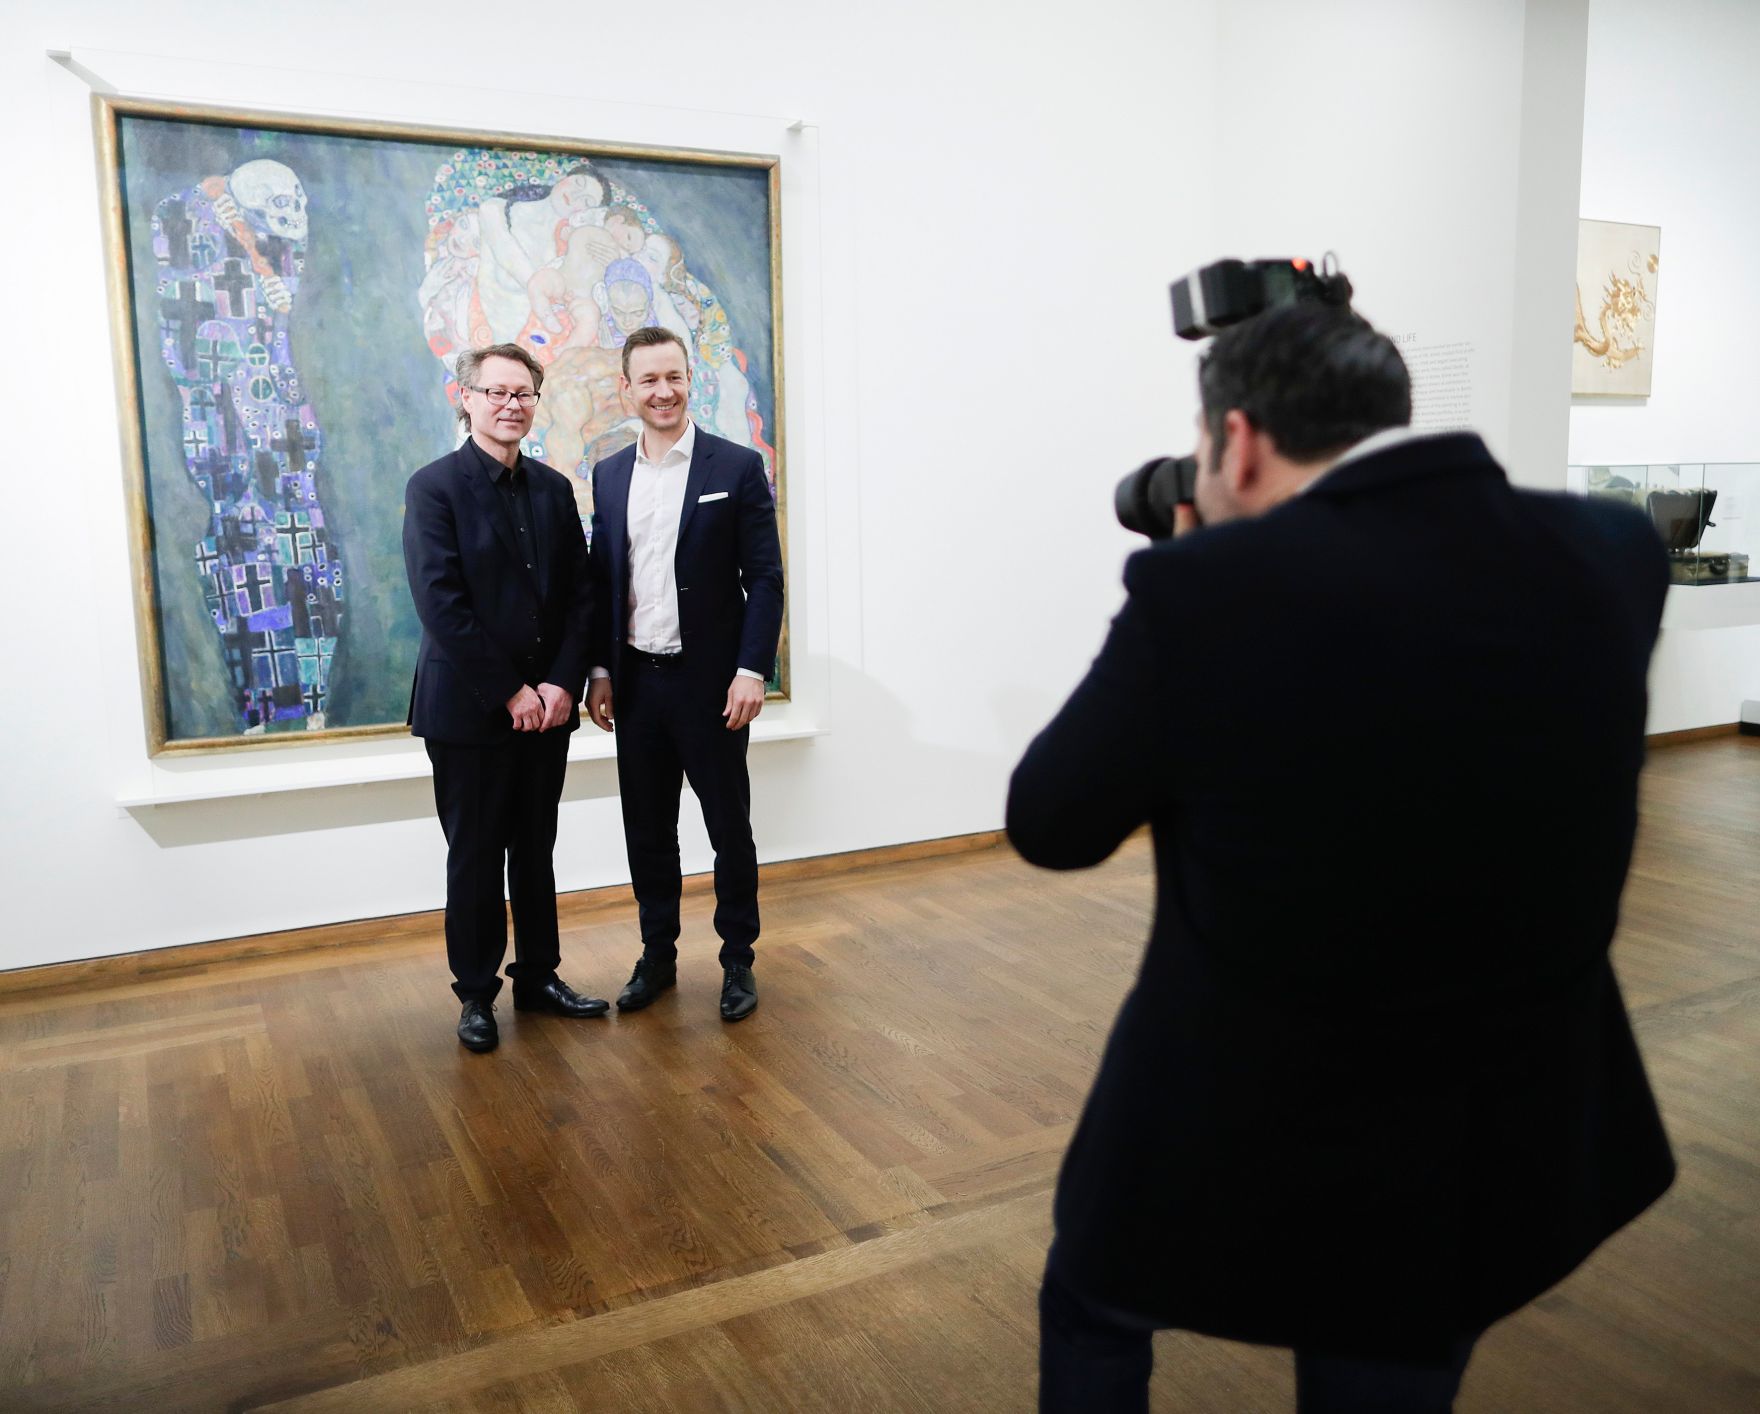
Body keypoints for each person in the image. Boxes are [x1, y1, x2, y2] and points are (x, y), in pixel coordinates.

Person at [1007, 303, 1676, 1412]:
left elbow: (1051, 822)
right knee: (1392, 1354)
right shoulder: (1614, 550)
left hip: (1246, 1111)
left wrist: (1201, 570)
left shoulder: (1205, 592)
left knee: (1090, 1306)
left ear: (1241, 439)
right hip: (1497, 1129)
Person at [403, 342, 610, 1052]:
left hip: (546, 711)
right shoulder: (434, 488)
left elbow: (583, 598)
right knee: (475, 854)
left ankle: (539, 977)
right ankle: (476, 995)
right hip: (469, 713)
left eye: (522, 393)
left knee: (535, 848)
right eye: (495, 393)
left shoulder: (554, 491)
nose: (510, 405)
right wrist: (510, 691)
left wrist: (558, 683)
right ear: (464, 398)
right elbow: (441, 604)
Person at [583, 326, 784, 1022]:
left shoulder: (735, 467)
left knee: (729, 826)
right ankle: (657, 956)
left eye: (673, 377)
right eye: (648, 380)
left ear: (689, 379)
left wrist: (752, 668)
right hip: (636, 686)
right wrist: (602, 670)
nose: (662, 392)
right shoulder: (609, 475)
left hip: (713, 684)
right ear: (628, 388)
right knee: (648, 828)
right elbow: (604, 581)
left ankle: (737, 962)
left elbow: (764, 577)